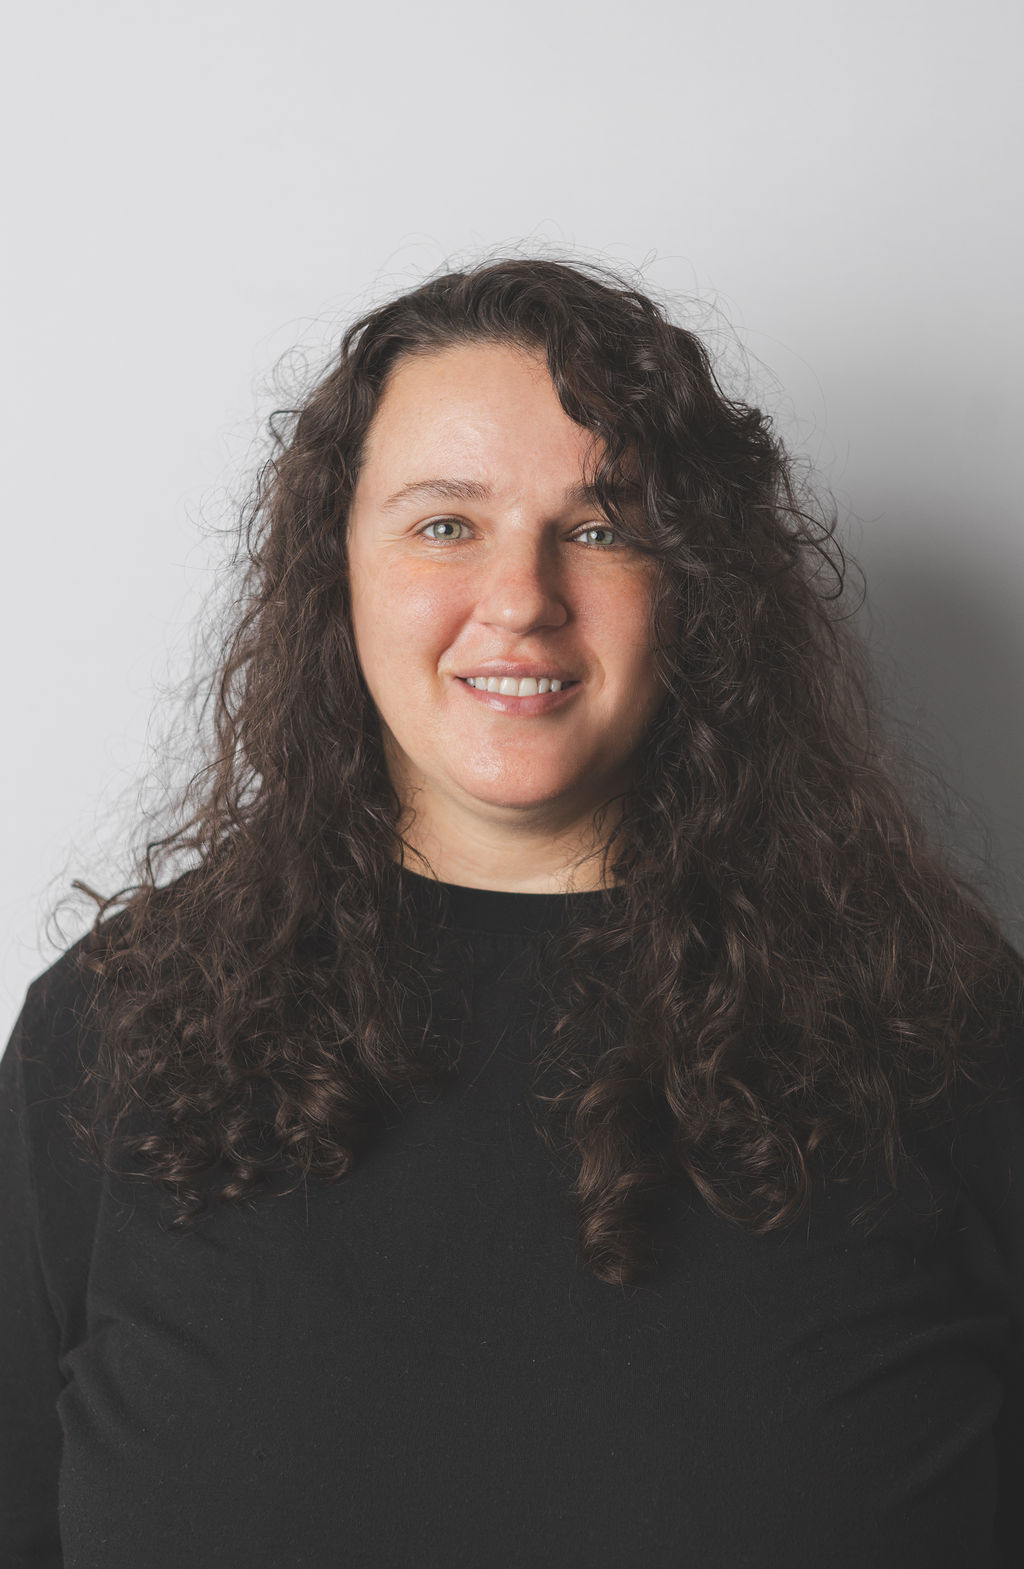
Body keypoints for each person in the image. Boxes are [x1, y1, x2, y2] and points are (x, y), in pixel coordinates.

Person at [1, 256, 1022, 1568]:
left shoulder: (942, 1029)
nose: (523, 597)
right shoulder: (112, 1031)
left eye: (600, 526)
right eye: (445, 522)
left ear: (696, 584)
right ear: (340, 572)